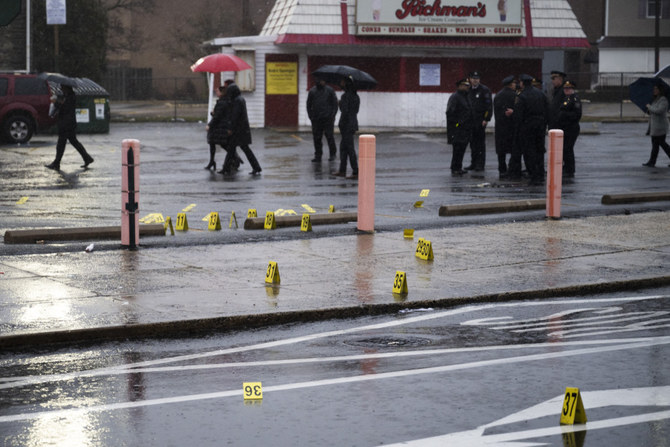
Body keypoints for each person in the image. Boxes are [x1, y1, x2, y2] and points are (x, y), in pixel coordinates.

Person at [45, 85, 94, 170]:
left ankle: (56, 163)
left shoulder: (71, 97)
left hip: (67, 124)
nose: (61, 89)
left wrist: (56, 102)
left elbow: (64, 108)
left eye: (62, 87)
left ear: (67, 88)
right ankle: (87, 158)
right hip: (67, 123)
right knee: (73, 142)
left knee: (61, 143)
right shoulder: (67, 96)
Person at [513, 74, 548, 186]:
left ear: (522, 83)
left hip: (527, 127)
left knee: (529, 152)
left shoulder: (522, 96)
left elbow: (518, 115)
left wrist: (518, 129)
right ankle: (540, 173)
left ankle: (533, 175)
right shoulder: (541, 94)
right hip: (540, 126)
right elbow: (547, 109)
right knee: (539, 150)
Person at [222, 82, 262, 175]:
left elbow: (235, 116)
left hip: (238, 131)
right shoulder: (240, 99)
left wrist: (230, 128)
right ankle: (256, 167)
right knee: (239, 149)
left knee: (236, 149)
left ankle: (226, 168)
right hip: (242, 130)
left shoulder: (237, 101)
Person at [206, 82, 242, 172]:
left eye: (217, 91)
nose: (216, 93)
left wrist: (209, 125)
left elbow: (218, 116)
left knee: (223, 144)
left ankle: (234, 158)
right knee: (215, 143)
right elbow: (219, 113)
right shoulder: (224, 101)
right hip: (221, 125)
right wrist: (213, 113)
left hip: (221, 126)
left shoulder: (222, 102)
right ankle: (214, 161)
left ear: (222, 92)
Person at [332, 76, 359, 179]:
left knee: (349, 149)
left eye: (343, 82)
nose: (341, 84)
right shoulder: (356, 96)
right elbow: (355, 111)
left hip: (346, 125)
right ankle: (342, 170)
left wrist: (340, 104)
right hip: (352, 124)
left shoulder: (346, 96)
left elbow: (345, 111)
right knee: (343, 148)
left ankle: (356, 171)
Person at [306, 77, 338, 162]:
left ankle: (333, 154)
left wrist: (332, 115)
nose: (323, 82)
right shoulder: (312, 91)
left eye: (324, 80)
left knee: (329, 136)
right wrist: (311, 117)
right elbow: (308, 105)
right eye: (322, 81)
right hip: (316, 119)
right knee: (317, 138)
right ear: (318, 81)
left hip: (328, 119)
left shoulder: (329, 90)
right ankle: (318, 155)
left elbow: (335, 104)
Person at [465, 71, 492, 171]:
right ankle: (474, 163)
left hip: (480, 120)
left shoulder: (484, 90)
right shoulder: (468, 90)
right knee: (472, 143)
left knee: (480, 144)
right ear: (470, 79)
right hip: (471, 121)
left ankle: (480, 164)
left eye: (477, 78)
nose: (475, 80)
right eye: (473, 78)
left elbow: (489, 106)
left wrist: (486, 118)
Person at [446, 78, 474, 175]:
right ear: (459, 86)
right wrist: (457, 124)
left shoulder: (466, 96)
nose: (467, 87)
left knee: (462, 148)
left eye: (468, 85)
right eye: (465, 85)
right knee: (457, 149)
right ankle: (455, 168)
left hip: (466, 128)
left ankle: (459, 167)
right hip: (458, 128)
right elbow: (450, 112)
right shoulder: (455, 97)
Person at [555, 80, 582, 177]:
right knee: (564, 149)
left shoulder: (575, 99)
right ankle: (566, 166)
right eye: (565, 88)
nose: (566, 90)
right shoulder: (567, 99)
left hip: (571, 127)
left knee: (568, 148)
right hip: (565, 127)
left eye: (568, 88)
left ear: (572, 89)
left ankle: (570, 169)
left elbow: (577, 114)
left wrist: (564, 115)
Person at [493, 75, 517, 178]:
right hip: (512, 127)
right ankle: (512, 169)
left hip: (500, 127)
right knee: (514, 150)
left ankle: (502, 170)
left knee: (501, 151)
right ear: (511, 84)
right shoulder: (515, 95)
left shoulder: (498, 95)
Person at [643, 82, 670, 167]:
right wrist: (648, 110)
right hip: (655, 127)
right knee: (655, 146)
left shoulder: (663, 100)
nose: (654, 90)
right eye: (654, 89)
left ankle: (652, 161)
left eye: (656, 89)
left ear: (660, 90)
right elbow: (653, 111)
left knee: (662, 144)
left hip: (660, 127)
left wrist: (649, 107)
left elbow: (659, 111)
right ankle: (652, 162)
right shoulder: (655, 100)